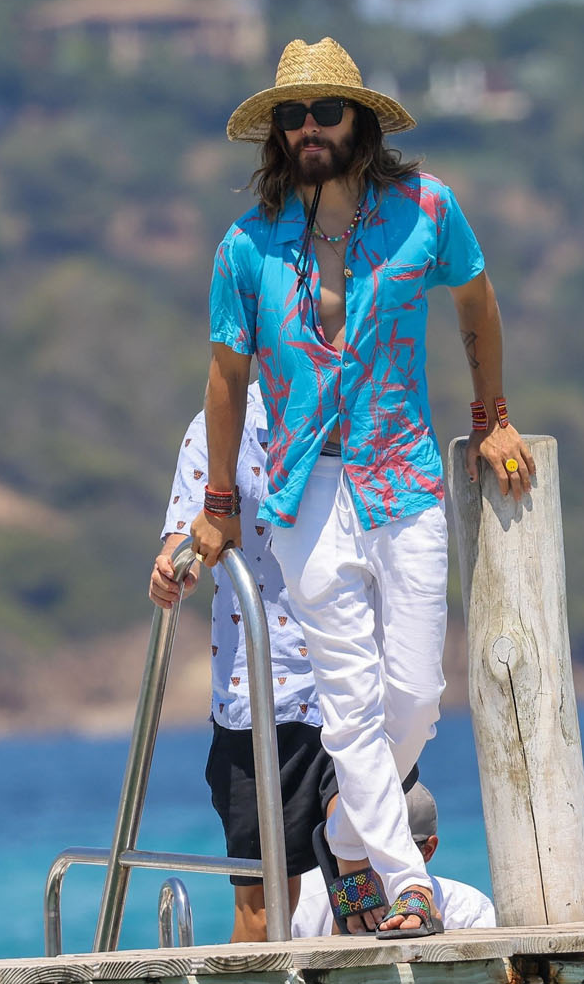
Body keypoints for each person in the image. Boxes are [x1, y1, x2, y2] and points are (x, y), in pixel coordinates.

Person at [189, 37, 534, 938]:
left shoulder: (427, 209)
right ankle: (403, 884)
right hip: (306, 492)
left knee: (414, 693)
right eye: (291, 115)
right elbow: (226, 378)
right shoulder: (246, 247)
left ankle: (344, 826)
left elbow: (477, 302)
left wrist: (492, 416)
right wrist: (219, 505)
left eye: (325, 112)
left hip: (404, 477)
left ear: (361, 122)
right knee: (347, 696)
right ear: (276, 133)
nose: (309, 128)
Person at [149, 380, 335, 942]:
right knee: (263, 907)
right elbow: (182, 539)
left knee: (359, 877)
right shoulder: (219, 424)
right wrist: (170, 570)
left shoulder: (351, 395)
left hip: (346, 679)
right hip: (256, 693)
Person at [293, 783, 496, 937]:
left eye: (401, 853)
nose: (377, 866)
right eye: (362, 854)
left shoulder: (468, 910)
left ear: (428, 850)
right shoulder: (304, 904)